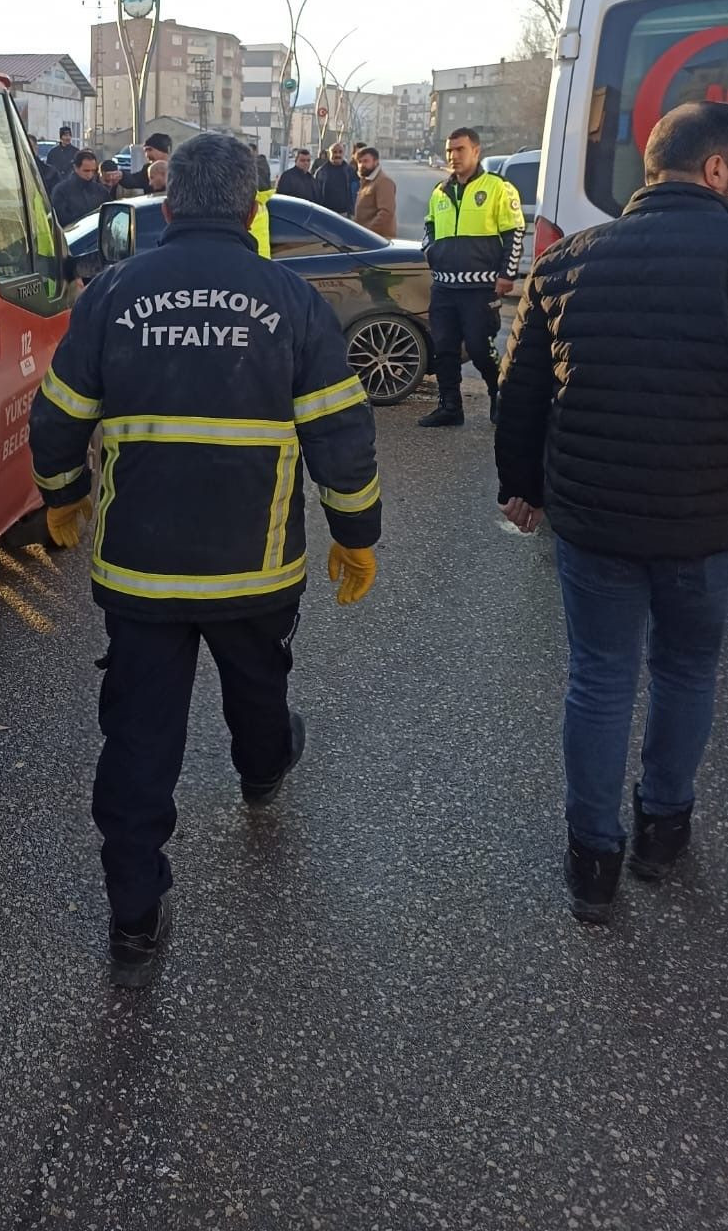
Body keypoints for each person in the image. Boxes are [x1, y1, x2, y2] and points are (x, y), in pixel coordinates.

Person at [28, 132, 381, 986]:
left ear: (170, 205)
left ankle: (134, 916)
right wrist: (355, 535)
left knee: (139, 736)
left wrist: (61, 493)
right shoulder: (291, 300)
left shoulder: (112, 293)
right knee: (258, 687)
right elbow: (341, 431)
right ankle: (261, 772)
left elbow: (56, 417)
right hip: (253, 566)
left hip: (139, 571)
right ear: (254, 208)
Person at [496, 101, 728, 924]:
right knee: (685, 671)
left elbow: (518, 390)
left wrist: (517, 486)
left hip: (591, 519)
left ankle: (591, 859)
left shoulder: (569, 262)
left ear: (647, 169)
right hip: (707, 524)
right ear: (714, 170)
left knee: (598, 681)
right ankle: (663, 829)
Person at [418, 127, 524, 428]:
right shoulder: (440, 191)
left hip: (480, 287)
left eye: (460, 149)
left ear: (476, 151)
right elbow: (429, 226)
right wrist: (431, 249)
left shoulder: (498, 188)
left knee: (479, 348)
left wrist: (507, 274)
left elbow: (514, 232)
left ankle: (497, 394)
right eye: (449, 150)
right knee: (444, 349)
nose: (453, 156)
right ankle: (450, 407)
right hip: (444, 286)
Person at [49, 148, 112, 227]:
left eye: (93, 171)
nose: (90, 175)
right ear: (76, 168)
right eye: (86, 171)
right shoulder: (61, 191)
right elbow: (60, 219)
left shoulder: (101, 191)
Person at [353, 147, 397, 239]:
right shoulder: (366, 180)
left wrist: (367, 233)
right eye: (359, 162)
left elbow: (386, 212)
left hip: (378, 240)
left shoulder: (383, 181)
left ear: (376, 161)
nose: (361, 165)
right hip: (368, 238)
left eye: (365, 161)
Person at [315, 141, 356, 217]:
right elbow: (316, 194)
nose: (338, 155)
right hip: (326, 213)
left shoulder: (350, 171)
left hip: (345, 214)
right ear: (329, 154)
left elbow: (354, 193)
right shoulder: (321, 172)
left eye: (340, 152)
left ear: (343, 154)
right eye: (334, 152)